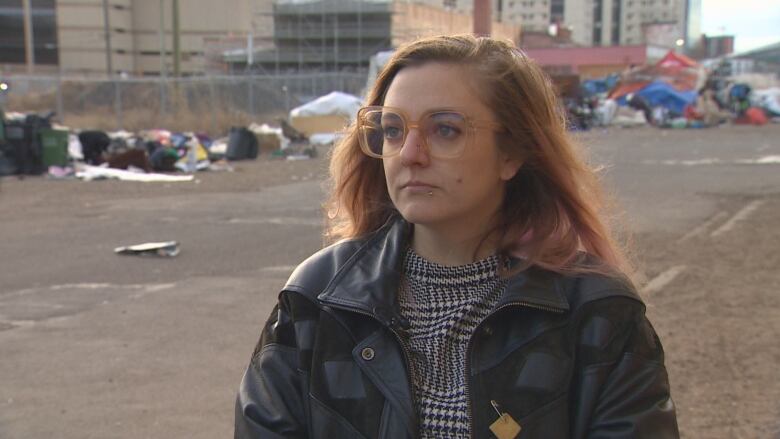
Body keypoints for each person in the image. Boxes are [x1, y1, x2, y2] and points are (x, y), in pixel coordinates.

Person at [235, 34, 679, 439]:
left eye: (445, 129)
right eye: (392, 130)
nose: (410, 155)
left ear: (512, 154)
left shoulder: (596, 313)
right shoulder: (318, 299)